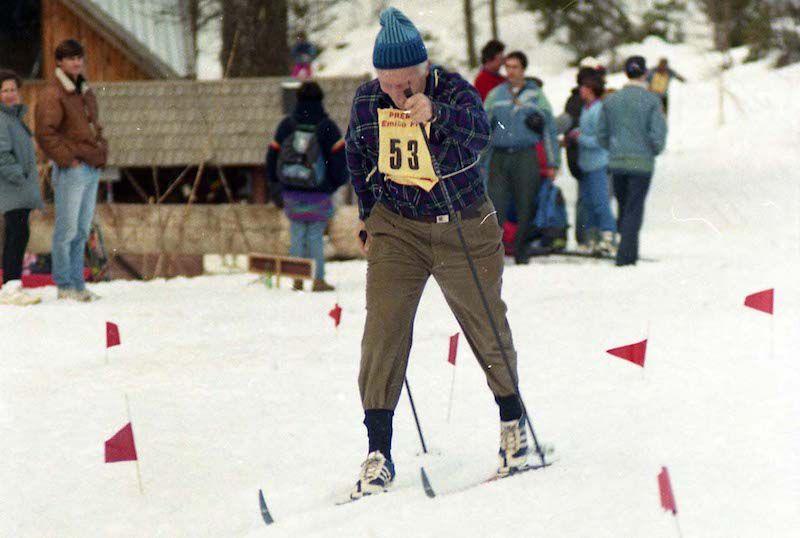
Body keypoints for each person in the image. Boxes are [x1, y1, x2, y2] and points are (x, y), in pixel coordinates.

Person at [346, 7, 529, 499]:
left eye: (406, 84)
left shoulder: (454, 90)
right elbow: (356, 156)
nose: (396, 93)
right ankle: (378, 451)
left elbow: (481, 134)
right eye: (388, 83)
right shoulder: (366, 102)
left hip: (464, 223)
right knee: (382, 330)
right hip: (398, 227)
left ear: (423, 71)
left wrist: (437, 114)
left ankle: (513, 421)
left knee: (485, 322)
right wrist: (368, 215)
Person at [35, 39, 107, 301]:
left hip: (91, 165)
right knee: (66, 230)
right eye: (70, 58)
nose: (76, 62)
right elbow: (45, 133)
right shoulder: (53, 93)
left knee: (81, 228)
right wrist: (68, 160)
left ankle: (78, 283)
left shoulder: (83, 89)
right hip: (72, 169)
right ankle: (64, 284)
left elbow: (92, 126)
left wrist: (100, 150)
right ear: (59, 62)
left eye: (79, 57)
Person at [265, 81, 347, 292]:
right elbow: (339, 160)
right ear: (321, 99)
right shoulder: (327, 126)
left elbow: (272, 156)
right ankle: (318, 280)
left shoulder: (287, 125)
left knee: (297, 234)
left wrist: (276, 185)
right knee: (315, 237)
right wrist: (332, 184)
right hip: (318, 193)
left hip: (291, 191)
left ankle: (297, 278)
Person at [484, 51, 559, 264]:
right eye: (507, 67)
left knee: (525, 202)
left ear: (523, 69)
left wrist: (553, 162)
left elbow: (549, 130)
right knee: (495, 201)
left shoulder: (535, 96)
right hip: (500, 154)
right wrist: (480, 159)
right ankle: (494, 251)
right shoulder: (496, 95)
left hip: (525, 154)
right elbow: (483, 129)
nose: (510, 71)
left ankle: (521, 249)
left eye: (515, 67)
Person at [598, 56, 667, 266]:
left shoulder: (611, 100)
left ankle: (627, 249)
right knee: (634, 207)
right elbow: (658, 134)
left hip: (617, 161)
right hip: (641, 162)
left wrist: (614, 148)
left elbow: (602, 133)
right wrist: (653, 149)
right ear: (645, 73)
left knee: (622, 204)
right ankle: (626, 255)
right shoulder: (652, 100)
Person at [0, 69, 43, 306]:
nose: (9, 94)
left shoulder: (14, 118)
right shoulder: (2, 119)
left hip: (19, 187)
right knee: (16, 234)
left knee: (19, 233)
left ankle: (13, 284)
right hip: (11, 187)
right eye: (4, 90)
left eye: (12, 90)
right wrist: (19, 176)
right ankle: (10, 285)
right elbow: (1, 154)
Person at [566, 73, 616, 255]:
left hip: (598, 163)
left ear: (593, 90)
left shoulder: (599, 110)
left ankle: (609, 236)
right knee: (588, 202)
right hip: (585, 164)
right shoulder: (586, 109)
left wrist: (581, 138)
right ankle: (593, 238)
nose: (581, 90)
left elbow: (601, 139)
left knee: (601, 201)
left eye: (585, 88)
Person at [563, 58, 607, 248]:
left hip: (583, 154)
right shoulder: (581, 103)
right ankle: (588, 236)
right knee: (589, 198)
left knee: (589, 197)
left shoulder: (581, 102)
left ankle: (590, 236)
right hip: (582, 155)